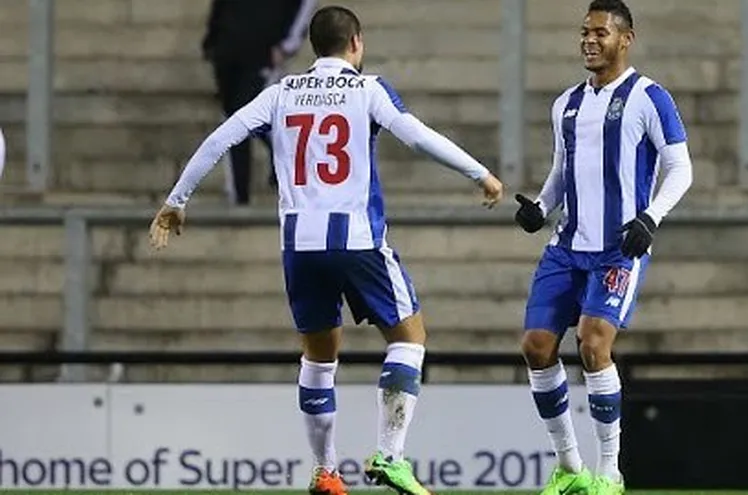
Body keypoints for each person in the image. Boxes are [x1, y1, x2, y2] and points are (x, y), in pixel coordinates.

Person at [150, 5, 504, 495]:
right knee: (409, 338)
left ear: (314, 46)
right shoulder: (367, 88)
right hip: (357, 238)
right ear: (355, 42)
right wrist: (479, 173)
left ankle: (326, 472)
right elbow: (416, 136)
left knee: (318, 359)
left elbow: (221, 137)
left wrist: (176, 201)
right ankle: (390, 455)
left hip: (300, 245)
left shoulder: (280, 93)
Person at [513, 1, 693, 494]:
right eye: (584, 33)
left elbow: (682, 168)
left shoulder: (649, 97)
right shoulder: (566, 103)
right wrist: (541, 207)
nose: (589, 41)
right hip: (567, 246)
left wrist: (650, 217)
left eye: (600, 33)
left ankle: (609, 473)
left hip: (617, 248)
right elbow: (561, 171)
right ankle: (571, 469)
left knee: (593, 344)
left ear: (625, 38)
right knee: (535, 346)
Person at [201, 0, 318, 205]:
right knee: (234, 117)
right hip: (227, 47)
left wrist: (287, 45)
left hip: (263, 51)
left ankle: (244, 192)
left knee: (240, 116)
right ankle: (240, 194)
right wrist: (212, 39)